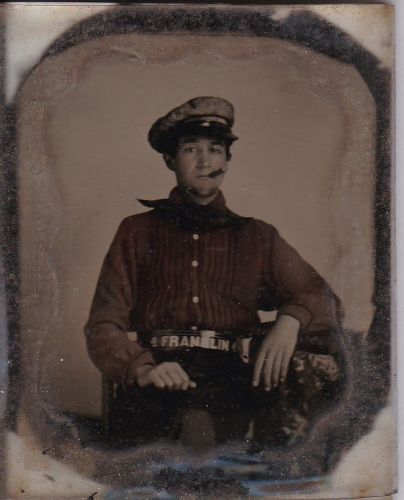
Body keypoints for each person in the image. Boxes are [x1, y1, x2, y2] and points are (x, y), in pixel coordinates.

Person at [85, 96, 344, 447]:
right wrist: (144, 368)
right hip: (156, 380)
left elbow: (324, 299)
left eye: (216, 150)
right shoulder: (136, 231)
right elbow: (103, 326)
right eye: (191, 149)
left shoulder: (257, 235)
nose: (205, 161)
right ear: (170, 159)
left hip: (231, 385)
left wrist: (291, 320)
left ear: (228, 160)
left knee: (217, 441)